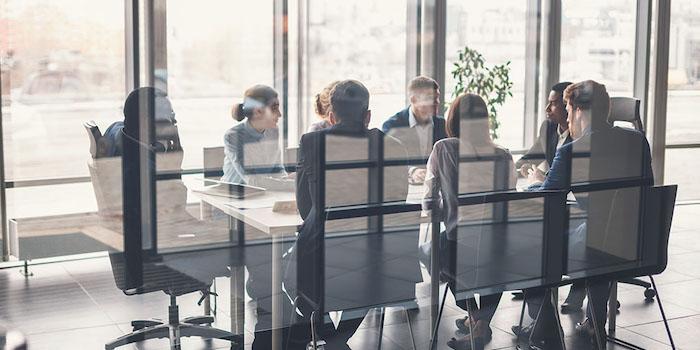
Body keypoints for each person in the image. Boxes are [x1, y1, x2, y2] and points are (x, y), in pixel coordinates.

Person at [523, 80, 653, 348]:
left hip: (596, 247)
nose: (567, 117)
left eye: (568, 110)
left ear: (579, 110)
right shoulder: (638, 141)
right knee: (599, 232)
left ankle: (545, 327)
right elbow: (646, 189)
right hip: (640, 241)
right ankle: (595, 320)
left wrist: (537, 180)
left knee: (530, 246)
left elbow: (547, 197)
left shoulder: (572, 150)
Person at [294, 79, 416, 349]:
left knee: (292, 272)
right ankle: (340, 340)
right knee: (360, 281)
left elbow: (305, 207)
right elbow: (398, 203)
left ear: (331, 116)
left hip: (323, 257)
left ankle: (326, 335)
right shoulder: (394, 146)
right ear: (368, 115)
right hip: (380, 258)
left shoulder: (312, 142)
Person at [422, 93, 516, 350]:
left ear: (453, 119)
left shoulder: (443, 148)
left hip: (459, 243)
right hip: (498, 246)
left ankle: (476, 317)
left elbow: (429, 201)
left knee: (436, 249)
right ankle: (480, 323)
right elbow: (508, 201)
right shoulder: (504, 156)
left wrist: (448, 208)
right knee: (494, 260)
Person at [222, 84, 291, 189]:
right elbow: (253, 181)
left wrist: (287, 179)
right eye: (274, 108)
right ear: (258, 111)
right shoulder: (233, 136)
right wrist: (289, 184)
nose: (280, 114)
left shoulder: (273, 131)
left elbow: (277, 169)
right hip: (235, 198)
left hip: (263, 194)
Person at [383, 76, 447, 185]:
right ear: (413, 100)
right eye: (430, 98)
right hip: (405, 187)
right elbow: (387, 161)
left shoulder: (443, 125)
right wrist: (412, 171)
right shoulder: (393, 126)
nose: (437, 102)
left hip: (435, 188)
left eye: (437, 97)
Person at [516, 82, 573, 185]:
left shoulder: (579, 137)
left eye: (554, 104)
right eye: (548, 102)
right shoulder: (548, 128)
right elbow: (528, 160)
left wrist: (543, 179)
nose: (547, 109)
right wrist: (530, 169)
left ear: (568, 107)